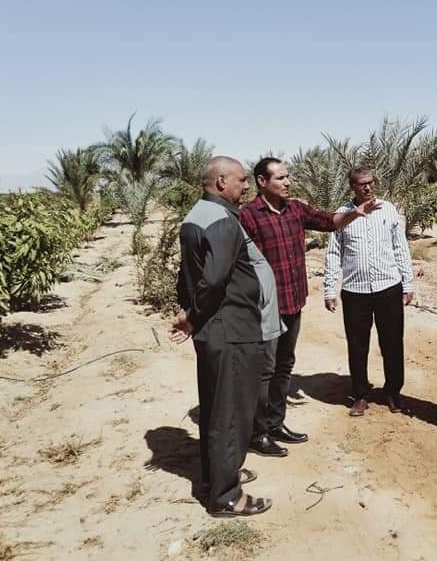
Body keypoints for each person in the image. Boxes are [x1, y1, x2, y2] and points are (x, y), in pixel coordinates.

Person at [239, 157, 380, 456]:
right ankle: (257, 432)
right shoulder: (249, 216)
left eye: (288, 177)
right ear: (262, 182)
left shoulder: (295, 209)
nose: (288, 182)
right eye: (281, 178)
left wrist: (355, 213)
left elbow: (330, 222)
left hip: (293, 301)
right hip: (266, 307)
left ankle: (276, 424)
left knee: (284, 365)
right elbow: (240, 263)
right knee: (264, 370)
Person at [171, 156, 283, 516]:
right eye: (241, 180)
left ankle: (217, 475)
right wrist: (192, 314)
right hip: (231, 329)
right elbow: (214, 279)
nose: (246, 185)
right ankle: (226, 497)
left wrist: (189, 311)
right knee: (231, 412)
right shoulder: (221, 221)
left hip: (214, 331)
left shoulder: (197, 215)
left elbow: (188, 275)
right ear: (220, 181)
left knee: (216, 407)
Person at [323, 167, 415, 417]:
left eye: (371, 183)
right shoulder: (342, 215)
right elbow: (333, 254)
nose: (367, 188)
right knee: (357, 345)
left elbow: (401, 248)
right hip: (355, 291)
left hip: (388, 287)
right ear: (352, 186)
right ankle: (360, 394)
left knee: (393, 343)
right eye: (362, 184)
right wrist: (330, 288)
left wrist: (408, 283)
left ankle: (394, 392)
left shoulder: (389, 210)